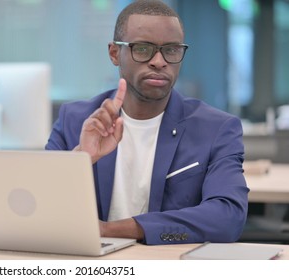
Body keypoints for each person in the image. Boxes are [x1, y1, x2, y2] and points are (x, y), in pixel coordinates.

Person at [45, 0, 248, 245]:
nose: (159, 61)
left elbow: (228, 218)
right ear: (114, 53)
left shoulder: (216, 129)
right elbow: (37, 209)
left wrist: (113, 230)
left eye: (171, 50)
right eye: (143, 48)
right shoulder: (75, 120)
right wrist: (81, 159)